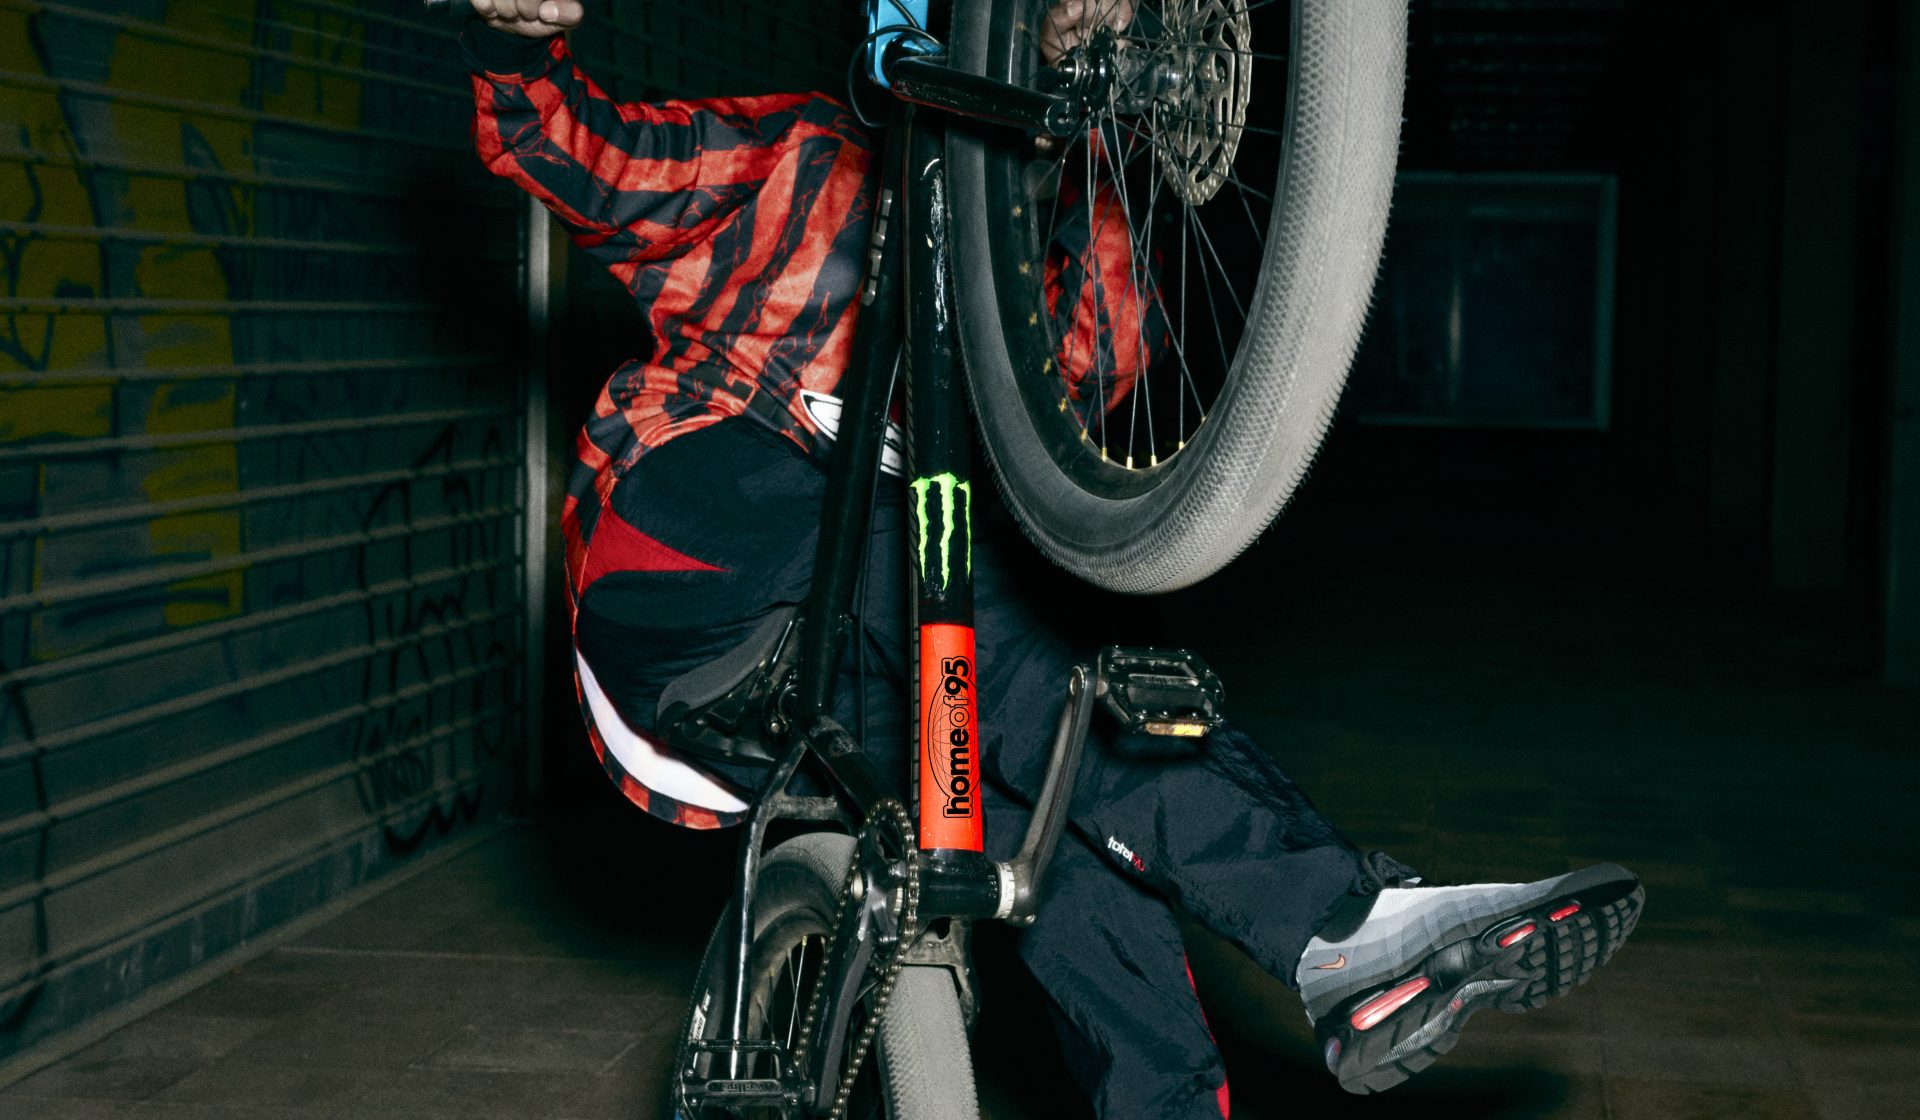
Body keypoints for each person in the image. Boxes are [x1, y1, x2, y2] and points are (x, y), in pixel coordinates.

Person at [459, 1, 1645, 1115]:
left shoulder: (1064, 283)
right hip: (687, 559)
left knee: (1077, 772)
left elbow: (1102, 386)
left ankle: (1279, 998)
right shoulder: (803, 163)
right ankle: (1337, 917)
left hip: (874, 653)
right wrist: (518, 42)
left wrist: (1106, 115)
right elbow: (572, 146)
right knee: (921, 544)